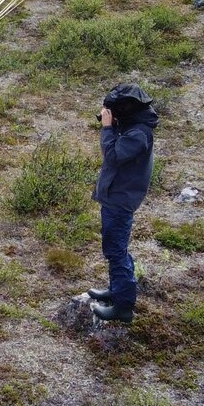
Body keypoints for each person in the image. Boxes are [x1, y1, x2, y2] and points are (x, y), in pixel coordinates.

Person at [86, 84, 157, 324]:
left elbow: (114, 156)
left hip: (120, 201)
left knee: (116, 252)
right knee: (115, 250)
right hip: (116, 197)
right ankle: (117, 291)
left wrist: (107, 129)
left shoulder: (138, 133)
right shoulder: (133, 127)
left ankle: (123, 306)